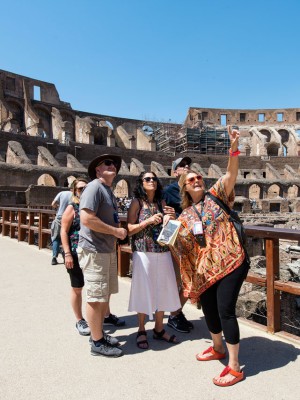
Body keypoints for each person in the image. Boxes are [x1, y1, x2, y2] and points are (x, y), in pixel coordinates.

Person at [173, 126, 249, 387]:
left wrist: (233, 147)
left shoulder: (217, 195)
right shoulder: (183, 216)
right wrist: (169, 234)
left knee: (226, 310)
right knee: (209, 309)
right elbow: (183, 248)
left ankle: (235, 365)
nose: (197, 180)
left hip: (231, 260)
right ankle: (217, 347)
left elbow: (230, 173)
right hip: (206, 270)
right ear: (184, 186)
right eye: (191, 179)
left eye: (198, 177)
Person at [78, 154, 127, 358]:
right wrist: (115, 232)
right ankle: (97, 342)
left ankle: (98, 334)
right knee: (96, 297)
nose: (112, 165)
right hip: (94, 249)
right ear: (97, 170)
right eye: (107, 163)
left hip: (105, 249)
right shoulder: (94, 187)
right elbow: (87, 218)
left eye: (114, 164)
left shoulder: (108, 191)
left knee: (103, 296)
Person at [127, 171, 181, 350]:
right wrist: (147, 221)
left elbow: (171, 227)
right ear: (141, 183)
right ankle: (141, 330)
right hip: (143, 251)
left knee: (163, 289)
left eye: (154, 179)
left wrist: (170, 218)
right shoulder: (137, 202)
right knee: (143, 290)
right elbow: (129, 229)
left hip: (163, 250)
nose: (152, 181)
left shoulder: (162, 202)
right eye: (147, 179)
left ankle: (159, 328)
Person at [163, 156, 194, 333]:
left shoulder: (194, 187)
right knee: (181, 279)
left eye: (188, 164)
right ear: (175, 172)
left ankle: (176, 313)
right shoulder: (170, 190)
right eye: (182, 166)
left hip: (192, 241)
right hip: (176, 241)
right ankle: (174, 315)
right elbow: (161, 211)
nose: (186, 166)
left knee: (189, 279)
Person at [60, 178, 90, 336]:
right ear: (74, 191)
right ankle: (79, 320)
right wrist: (67, 254)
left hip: (92, 252)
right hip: (75, 252)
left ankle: (104, 316)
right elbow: (63, 231)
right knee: (77, 287)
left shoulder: (91, 207)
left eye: (86, 188)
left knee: (96, 287)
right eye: (80, 189)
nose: (84, 191)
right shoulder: (72, 208)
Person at [51, 185, 73, 265]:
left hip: (59, 218)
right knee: (67, 237)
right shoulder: (74, 195)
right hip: (69, 218)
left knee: (56, 238)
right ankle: (66, 256)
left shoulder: (61, 193)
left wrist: (58, 207)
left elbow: (53, 204)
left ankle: (54, 257)